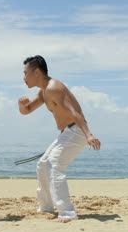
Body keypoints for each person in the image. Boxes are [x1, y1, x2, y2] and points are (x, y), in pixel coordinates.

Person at [18, 55, 101, 223]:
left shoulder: (54, 88)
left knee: (54, 165)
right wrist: (21, 104)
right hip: (66, 132)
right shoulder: (43, 91)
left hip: (77, 131)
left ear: (37, 72)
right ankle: (46, 207)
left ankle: (67, 213)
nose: (23, 77)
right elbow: (27, 110)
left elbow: (74, 112)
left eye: (26, 73)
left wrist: (89, 134)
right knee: (42, 164)